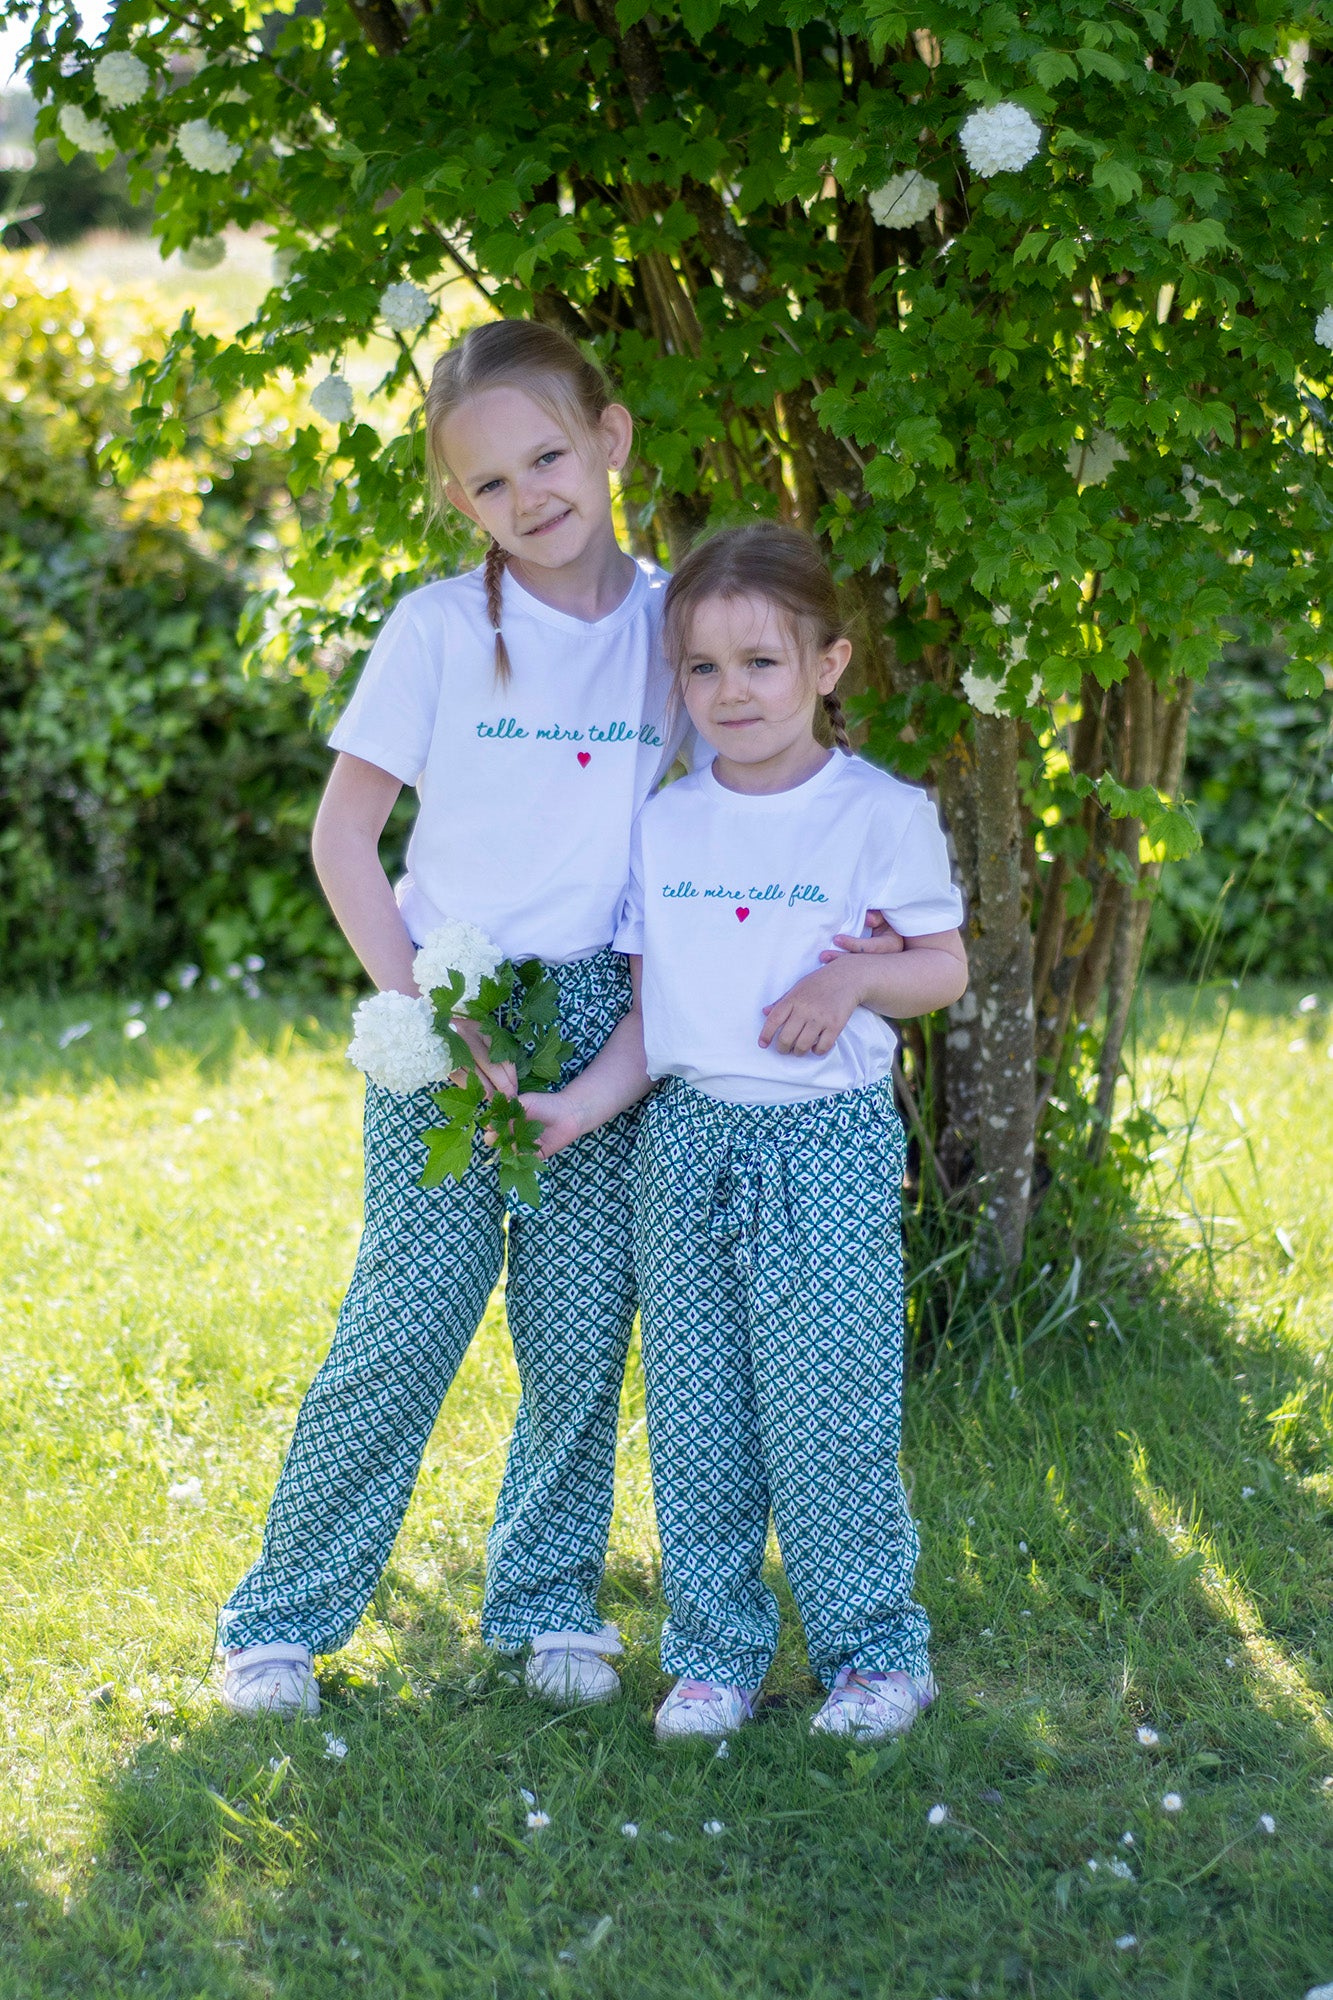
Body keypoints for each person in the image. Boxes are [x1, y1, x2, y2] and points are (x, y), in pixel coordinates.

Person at [218, 319, 693, 1718]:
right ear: (455, 498)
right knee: (410, 1312)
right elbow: (343, 839)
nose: (527, 495)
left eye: (547, 457)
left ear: (609, 440)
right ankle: (280, 1618)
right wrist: (427, 1006)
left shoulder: (679, 629)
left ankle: (546, 1599)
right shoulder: (437, 630)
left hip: (603, 1013)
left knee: (580, 1326)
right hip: (451, 995)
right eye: (489, 482)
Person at [522, 522, 968, 1741]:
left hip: (823, 1145)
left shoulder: (877, 812)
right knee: (698, 1414)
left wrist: (852, 978)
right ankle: (714, 1655)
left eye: (762, 662)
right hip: (684, 1144)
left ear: (827, 664)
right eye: (703, 667)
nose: (732, 691)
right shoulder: (664, 822)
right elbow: (650, 1018)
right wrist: (579, 1105)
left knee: (829, 1412)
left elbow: (941, 964)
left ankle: (876, 1657)